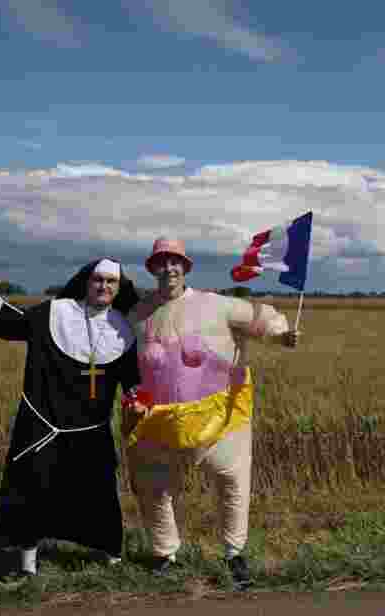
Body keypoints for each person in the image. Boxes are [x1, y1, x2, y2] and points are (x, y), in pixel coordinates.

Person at [124, 238, 299, 589]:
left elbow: (259, 317)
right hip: (159, 422)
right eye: (162, 262)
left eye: (175, 262)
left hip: (220, 418)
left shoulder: (216, 305)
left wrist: (282, 333)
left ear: (186, 267)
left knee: (232, 482)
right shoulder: (137, 315)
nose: (169, 268)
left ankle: (235, 554)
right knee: (153, 489)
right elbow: (118, 356)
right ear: (152, 268)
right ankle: (164, 554)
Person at [0, 259, 141, 580]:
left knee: (99, 492)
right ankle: (27, 566)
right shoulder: (54, 313)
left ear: (119, 288)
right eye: (97, 280)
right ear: (86, 282)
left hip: (91, 429)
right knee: (33, 490)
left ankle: (113, 559)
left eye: (111, 282)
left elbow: (130, 375)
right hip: (43, 424)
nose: (103, 287)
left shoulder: (123, 329)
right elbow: (13, 323)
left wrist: (135, 395)